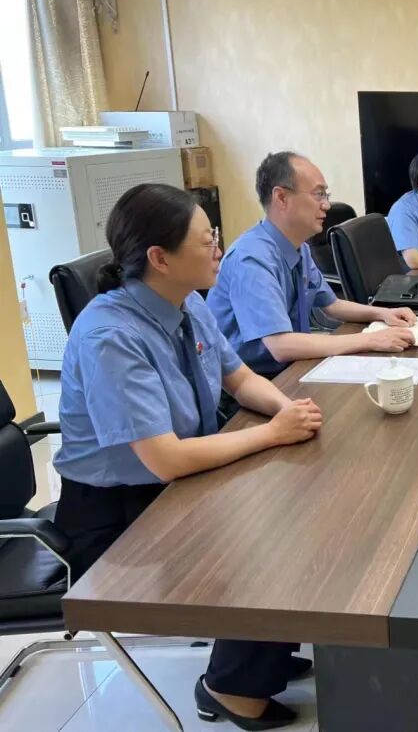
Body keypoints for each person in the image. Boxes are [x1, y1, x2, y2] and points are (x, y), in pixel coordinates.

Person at [52, 183, 323, 729]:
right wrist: (274, 434)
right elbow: (167, 460)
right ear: (160, 258)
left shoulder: (188, 302)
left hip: (170, 488)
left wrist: (288, 410)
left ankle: (261, 646)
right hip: (116, 516)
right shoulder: (110, 335)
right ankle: (231, 688)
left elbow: (239, 378)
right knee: (270, 543)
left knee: (300, 506)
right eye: (207, 240)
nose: (219, 248)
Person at [208, 151, 416, 380]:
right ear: (281, 198)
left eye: (326, 194)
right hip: (252, 383)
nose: (326, 205)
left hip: (292, 366)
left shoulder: (299, 247)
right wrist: (371, 339)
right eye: (318, 194)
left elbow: (332, 305)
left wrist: (383, 313)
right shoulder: (251, 259)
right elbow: (280, 346)